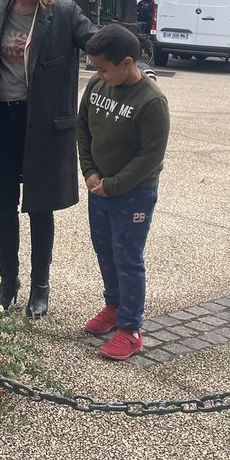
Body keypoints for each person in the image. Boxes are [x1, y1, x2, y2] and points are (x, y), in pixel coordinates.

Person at [0, 0, 97, 318]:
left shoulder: (64, 14)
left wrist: (122, 56)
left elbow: (96, 43)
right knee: (3, 203)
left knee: (40, 204)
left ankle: (41, 286)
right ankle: (9, 283)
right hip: (1, 120)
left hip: (42, 124)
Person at [77, 23, 169, 361]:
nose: (98, 74)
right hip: (98, 188)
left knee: (128, 258)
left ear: (128, 63)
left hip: (133, 194)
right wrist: (89, 172)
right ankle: (113, 307)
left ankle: (130, 329)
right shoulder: (98, 84)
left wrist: (112, 186)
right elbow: (82, 126)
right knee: (104, 251)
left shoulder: (152, 101)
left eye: (104, 68)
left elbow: (150, 156)